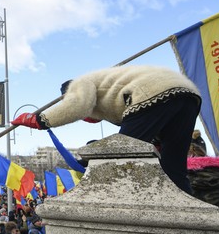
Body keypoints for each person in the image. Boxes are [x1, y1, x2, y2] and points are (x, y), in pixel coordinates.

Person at [11, 65, 201, 194]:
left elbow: (77, 105)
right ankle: (190, 211)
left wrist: (39, 120)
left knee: (119, 156)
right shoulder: (110, 88)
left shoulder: (80, 83)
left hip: (150, 92)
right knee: (174, 166)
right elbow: (156, 121)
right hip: (188, 94)